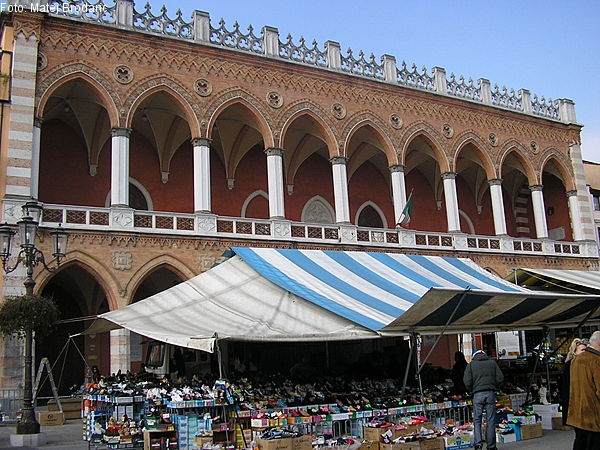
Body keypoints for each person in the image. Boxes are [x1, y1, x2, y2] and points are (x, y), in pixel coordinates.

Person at [463, 349, 504, 450]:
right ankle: (491, 446)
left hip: (477, 394)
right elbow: (500, 378)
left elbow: (467, 381)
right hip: (490, 393)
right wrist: (495, 386)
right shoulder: (492, 363)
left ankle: (478, 444)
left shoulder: (471, 365)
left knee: (477, 420)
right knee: (491, 420)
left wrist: (471, 390)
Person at [567, 330, 600, 450]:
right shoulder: (596, 360)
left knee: (580, 443)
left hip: (577, 413)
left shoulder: (576, 360)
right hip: (593, 415)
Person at [561, 338, 588, 426]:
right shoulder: (570, 365)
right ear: (574, 352)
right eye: (582, 350)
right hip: (575, 402)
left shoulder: (585, 364)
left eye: (586, 350)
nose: (585, 352)